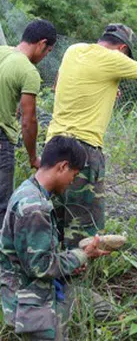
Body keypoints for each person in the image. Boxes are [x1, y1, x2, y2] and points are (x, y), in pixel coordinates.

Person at [46, 22, 137, 249]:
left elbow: (57, 86)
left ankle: (51, 280)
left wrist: (105, 87)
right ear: (122, 48)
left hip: (52, 147)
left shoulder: (73, 50)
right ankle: (77, 283)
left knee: (54, 221)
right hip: (81, 152)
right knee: (82, 230)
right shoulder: (114, 58)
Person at [0, 136, 110, 340]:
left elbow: (38, 254)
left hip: (43, 287)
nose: (72, 182)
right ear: (63, 167)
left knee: (103, 309)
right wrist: (82, 254)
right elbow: (41, 266)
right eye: (74, 175)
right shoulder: (34, 207)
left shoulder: (31, 191)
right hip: (29, 301)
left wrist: (72, 262)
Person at [0, 19, 57, 224]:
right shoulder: (28, 71)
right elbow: (28, 121)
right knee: (1, 206)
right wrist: (33, 157)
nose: (44, 57)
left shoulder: (2, 51)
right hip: (1, 138)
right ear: (42, 44)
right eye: (48, 52)